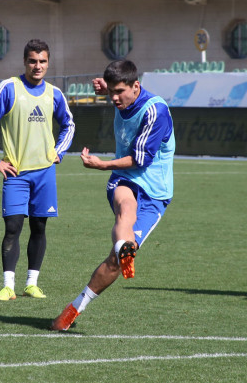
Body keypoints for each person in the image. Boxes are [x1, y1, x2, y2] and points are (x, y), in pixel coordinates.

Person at [50, 59, 175, 331]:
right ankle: (124, 247)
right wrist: (103, 87)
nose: (115, 98)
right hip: (125, 179)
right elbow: (113, 88)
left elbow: (140, 160)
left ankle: (74, 308)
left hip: (155, 193)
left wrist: (101, 164)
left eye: (120, 92)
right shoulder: (122, 95)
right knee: (125, 209)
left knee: (115, 264)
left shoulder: (156, 112)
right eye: (112, 92)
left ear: (136, 86)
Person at [0, 39, 75, 301]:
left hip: (45, 173)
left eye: (42, 61)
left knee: (39, 227)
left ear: (48, 63)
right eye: (33, 61)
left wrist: (59, 150)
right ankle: (8, 285)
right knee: (13, 227)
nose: (38, 66)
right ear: (25, 61)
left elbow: (69, 124)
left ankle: (32, 283)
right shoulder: (9, 88)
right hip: (16, 173)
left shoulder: (54, 93)